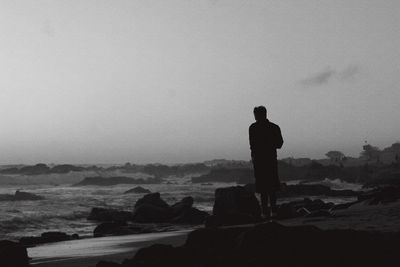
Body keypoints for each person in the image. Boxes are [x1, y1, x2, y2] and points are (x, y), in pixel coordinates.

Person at [249, 106, 283, 218]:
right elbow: (279, 144)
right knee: (271, 187)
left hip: (260, 161)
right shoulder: (274, 127)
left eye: (255, 114)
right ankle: (273, 211)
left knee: (263, 188)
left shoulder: (253, 128)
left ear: (259, 115)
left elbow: (252, 146)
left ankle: (265, 212)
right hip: (270, 160)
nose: (255, 116)